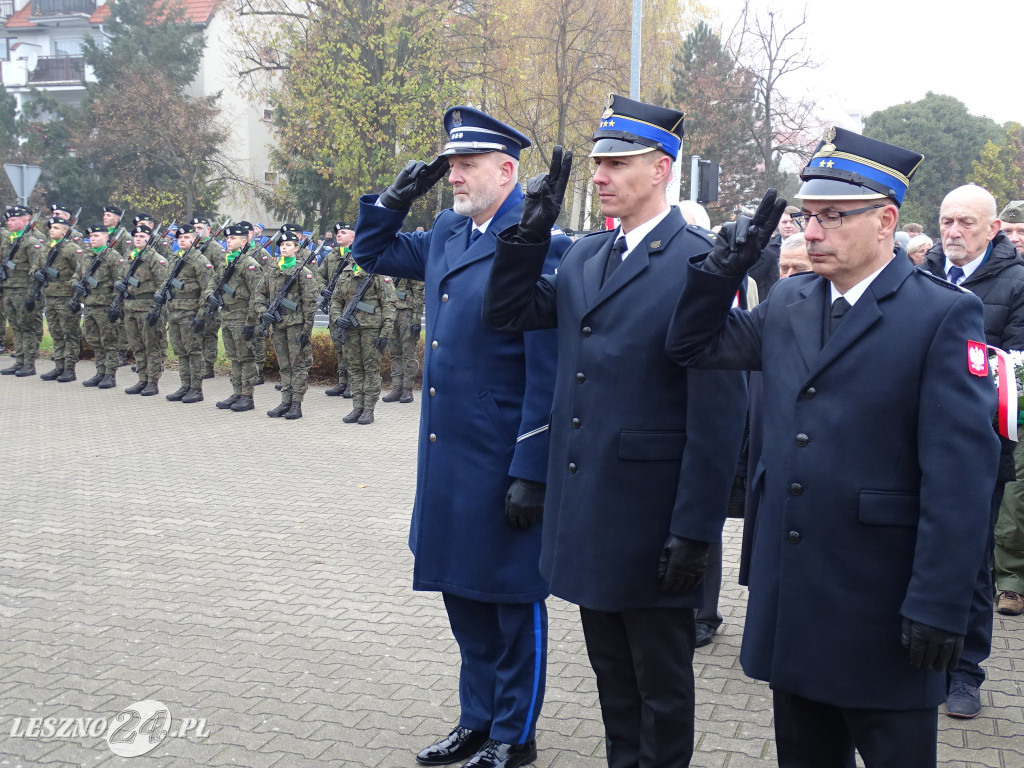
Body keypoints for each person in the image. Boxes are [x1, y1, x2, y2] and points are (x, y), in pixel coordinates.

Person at [666, 127, 1000, 768]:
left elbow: (961, 477)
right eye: (807, 216)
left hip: (883, 602)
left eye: (831, 217)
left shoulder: (939, 314)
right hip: (795, 594)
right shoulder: (791, 299)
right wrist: (718, 272)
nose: (810, 232)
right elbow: (692, 348)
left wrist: (938, 603)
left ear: (886, 221)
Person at [483, 95, 748, 768]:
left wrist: (695, 530)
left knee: (661, 687)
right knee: (612, 679)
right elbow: (509, 311)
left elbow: (718, 414)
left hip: (654, 520)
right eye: (598, 163)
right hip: (590, 508)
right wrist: (527, 235)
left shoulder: (699, 261)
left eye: (618, 164)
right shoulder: (585, 256)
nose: (600, 175)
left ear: (661, 169)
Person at [353, 106, 569, 768]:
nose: (454, 177)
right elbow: (372, 252)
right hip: (449, 456)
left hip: (502, 455)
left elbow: (548, 367)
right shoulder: (448, 231)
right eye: (449, 166)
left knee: (510, 603)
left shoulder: (540, 244)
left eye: (466, 166)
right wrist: (392, 201)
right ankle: (476, 720)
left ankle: (514, 734)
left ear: (506, 171)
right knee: (464, 599)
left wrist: (531, 466)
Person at [919, 184, 1024, 718]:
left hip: (981, 445)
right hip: (913, 438)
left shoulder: (1018, 281)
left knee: (971, 561)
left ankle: (966, 673)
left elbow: (1018, 365)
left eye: (964, 223)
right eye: (945, 221)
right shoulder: (918, 269)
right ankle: (918, 661)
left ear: (992, 229)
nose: (953, 232)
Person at [992, 199, 1024, 618]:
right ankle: (1010, 581)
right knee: (1014, 494)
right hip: (1012, 396)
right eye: (1012, 232)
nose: (1017, 240)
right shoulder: (1007, 280)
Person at [256, 230, 317, 420]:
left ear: (296, 248)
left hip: (296, 325)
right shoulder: (272, 270)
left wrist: (306, 330)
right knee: (284, 366)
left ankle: (296, 404)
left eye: (288, 245)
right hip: (278, 325)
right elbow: (259, 293)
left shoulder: (303, 273)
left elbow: (310, 303)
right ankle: (285, 402)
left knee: (297, 365)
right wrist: (263, 312)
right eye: (282, 245)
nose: (284, 248)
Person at [334, 260, 397, 424]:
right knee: (354, 369)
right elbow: (336, 300)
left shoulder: (378, 272)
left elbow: (389, 304)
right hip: (350, 330)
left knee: (371, 370)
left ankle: (368, 409)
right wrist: (338, 318)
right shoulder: (346, 273)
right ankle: (357, 407)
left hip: (372, 330)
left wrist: (386, 332)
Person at [212, 224, 264, 413]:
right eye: (227, 239)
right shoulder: (226, 262)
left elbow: (256, 295)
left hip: (242, 317)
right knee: (234, 358)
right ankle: (237, 392)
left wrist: (251, 322)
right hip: (227, 315)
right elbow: (213, 282)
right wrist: (211, 295)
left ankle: (247, 396)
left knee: (246, 357)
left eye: (232, 239)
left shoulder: (249, 264)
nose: (228, 241)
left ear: (244, 242)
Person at [162, 224, 216, 404]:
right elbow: (166, 282)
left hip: (190, 314)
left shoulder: (200, 261)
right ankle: (185, 385)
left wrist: (201, 316)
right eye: (180, 238)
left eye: (186, 237)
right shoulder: (176, 259)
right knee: (180, 352)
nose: (182, 240)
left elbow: (207, 290)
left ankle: (196, 389)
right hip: (174, 312)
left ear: (195, 240)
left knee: (193, 351)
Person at [119, 224, 170, 396]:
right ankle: (142, 379)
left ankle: (153, 382)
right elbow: (121, 277)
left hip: (147, 308)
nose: (138, 239)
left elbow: (162, 284)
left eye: (142, 236)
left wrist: (156, 309)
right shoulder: (129, 257)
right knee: (137, 347)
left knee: (151, 347)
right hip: (130, 308)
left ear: (149, 239)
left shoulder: (155, 259)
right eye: (136, 236)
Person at [37, 215, 85, 382]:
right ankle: (59, 366)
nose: (52, 230)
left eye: (56, 228)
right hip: (49, 296)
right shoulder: (46, 247)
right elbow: (37, 266)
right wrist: (36, 273)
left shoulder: (71, 249)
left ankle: (70, 369)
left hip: (66, 297)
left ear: (65, 231)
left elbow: (80, 272)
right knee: (56, 333)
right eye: (51, 227)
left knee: (69, 334)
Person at [74, 226, 122, 389]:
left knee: (108, 341)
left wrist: (116, 305)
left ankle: (110, 375)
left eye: (96, 235)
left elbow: (119, 282)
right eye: (91, 235)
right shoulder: (86, 255)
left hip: (105, 305)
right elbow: (76, 275)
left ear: (106, 237)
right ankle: (100, 372)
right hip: (89, 304)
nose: (92, 238)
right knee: (94, 340)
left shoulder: (112, 256)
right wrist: (75, 285)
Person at [0, 206, 44, 376]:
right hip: (9, 289)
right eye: (8, 220)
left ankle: (29, 364)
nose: (9, 223)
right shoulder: (8, 240)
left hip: (24, 290)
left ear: (24, 220)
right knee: (16, 327)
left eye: (13, 220)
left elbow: (36, 268)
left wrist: (32, 293)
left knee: (27, 327)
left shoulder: (30, 241)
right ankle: (19, 361)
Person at [317, 222, 354, 398]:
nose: (338, 235)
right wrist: (323, 288)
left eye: (343, 232)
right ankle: (342, 382)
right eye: (337, 232)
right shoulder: (330, 256)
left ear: (353, 237)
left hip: (351, 308)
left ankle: (353, 384)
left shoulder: (358, 256)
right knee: (339, 346)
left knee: (351, 347)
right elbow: (319, 275)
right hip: (334, 308)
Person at [381, 272, 425, 403]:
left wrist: (416, 319)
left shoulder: (408, 266)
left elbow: (419, 294)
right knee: (394, 353)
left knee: (408, 353)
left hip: (406, 313)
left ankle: (407, 390)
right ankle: (397, 388)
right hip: (391, 312)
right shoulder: (386, 267)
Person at [192, 217, 225, 380]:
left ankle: (208, 366)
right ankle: (197, 364)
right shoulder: (193, 247)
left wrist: (214, 295)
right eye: (194, 228)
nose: (196, 230)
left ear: (209, 229)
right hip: (193, 298)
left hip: (209, 296)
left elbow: (221, 272)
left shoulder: (215, 248)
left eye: (200, 227)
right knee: (195, 332)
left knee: (208, 333)